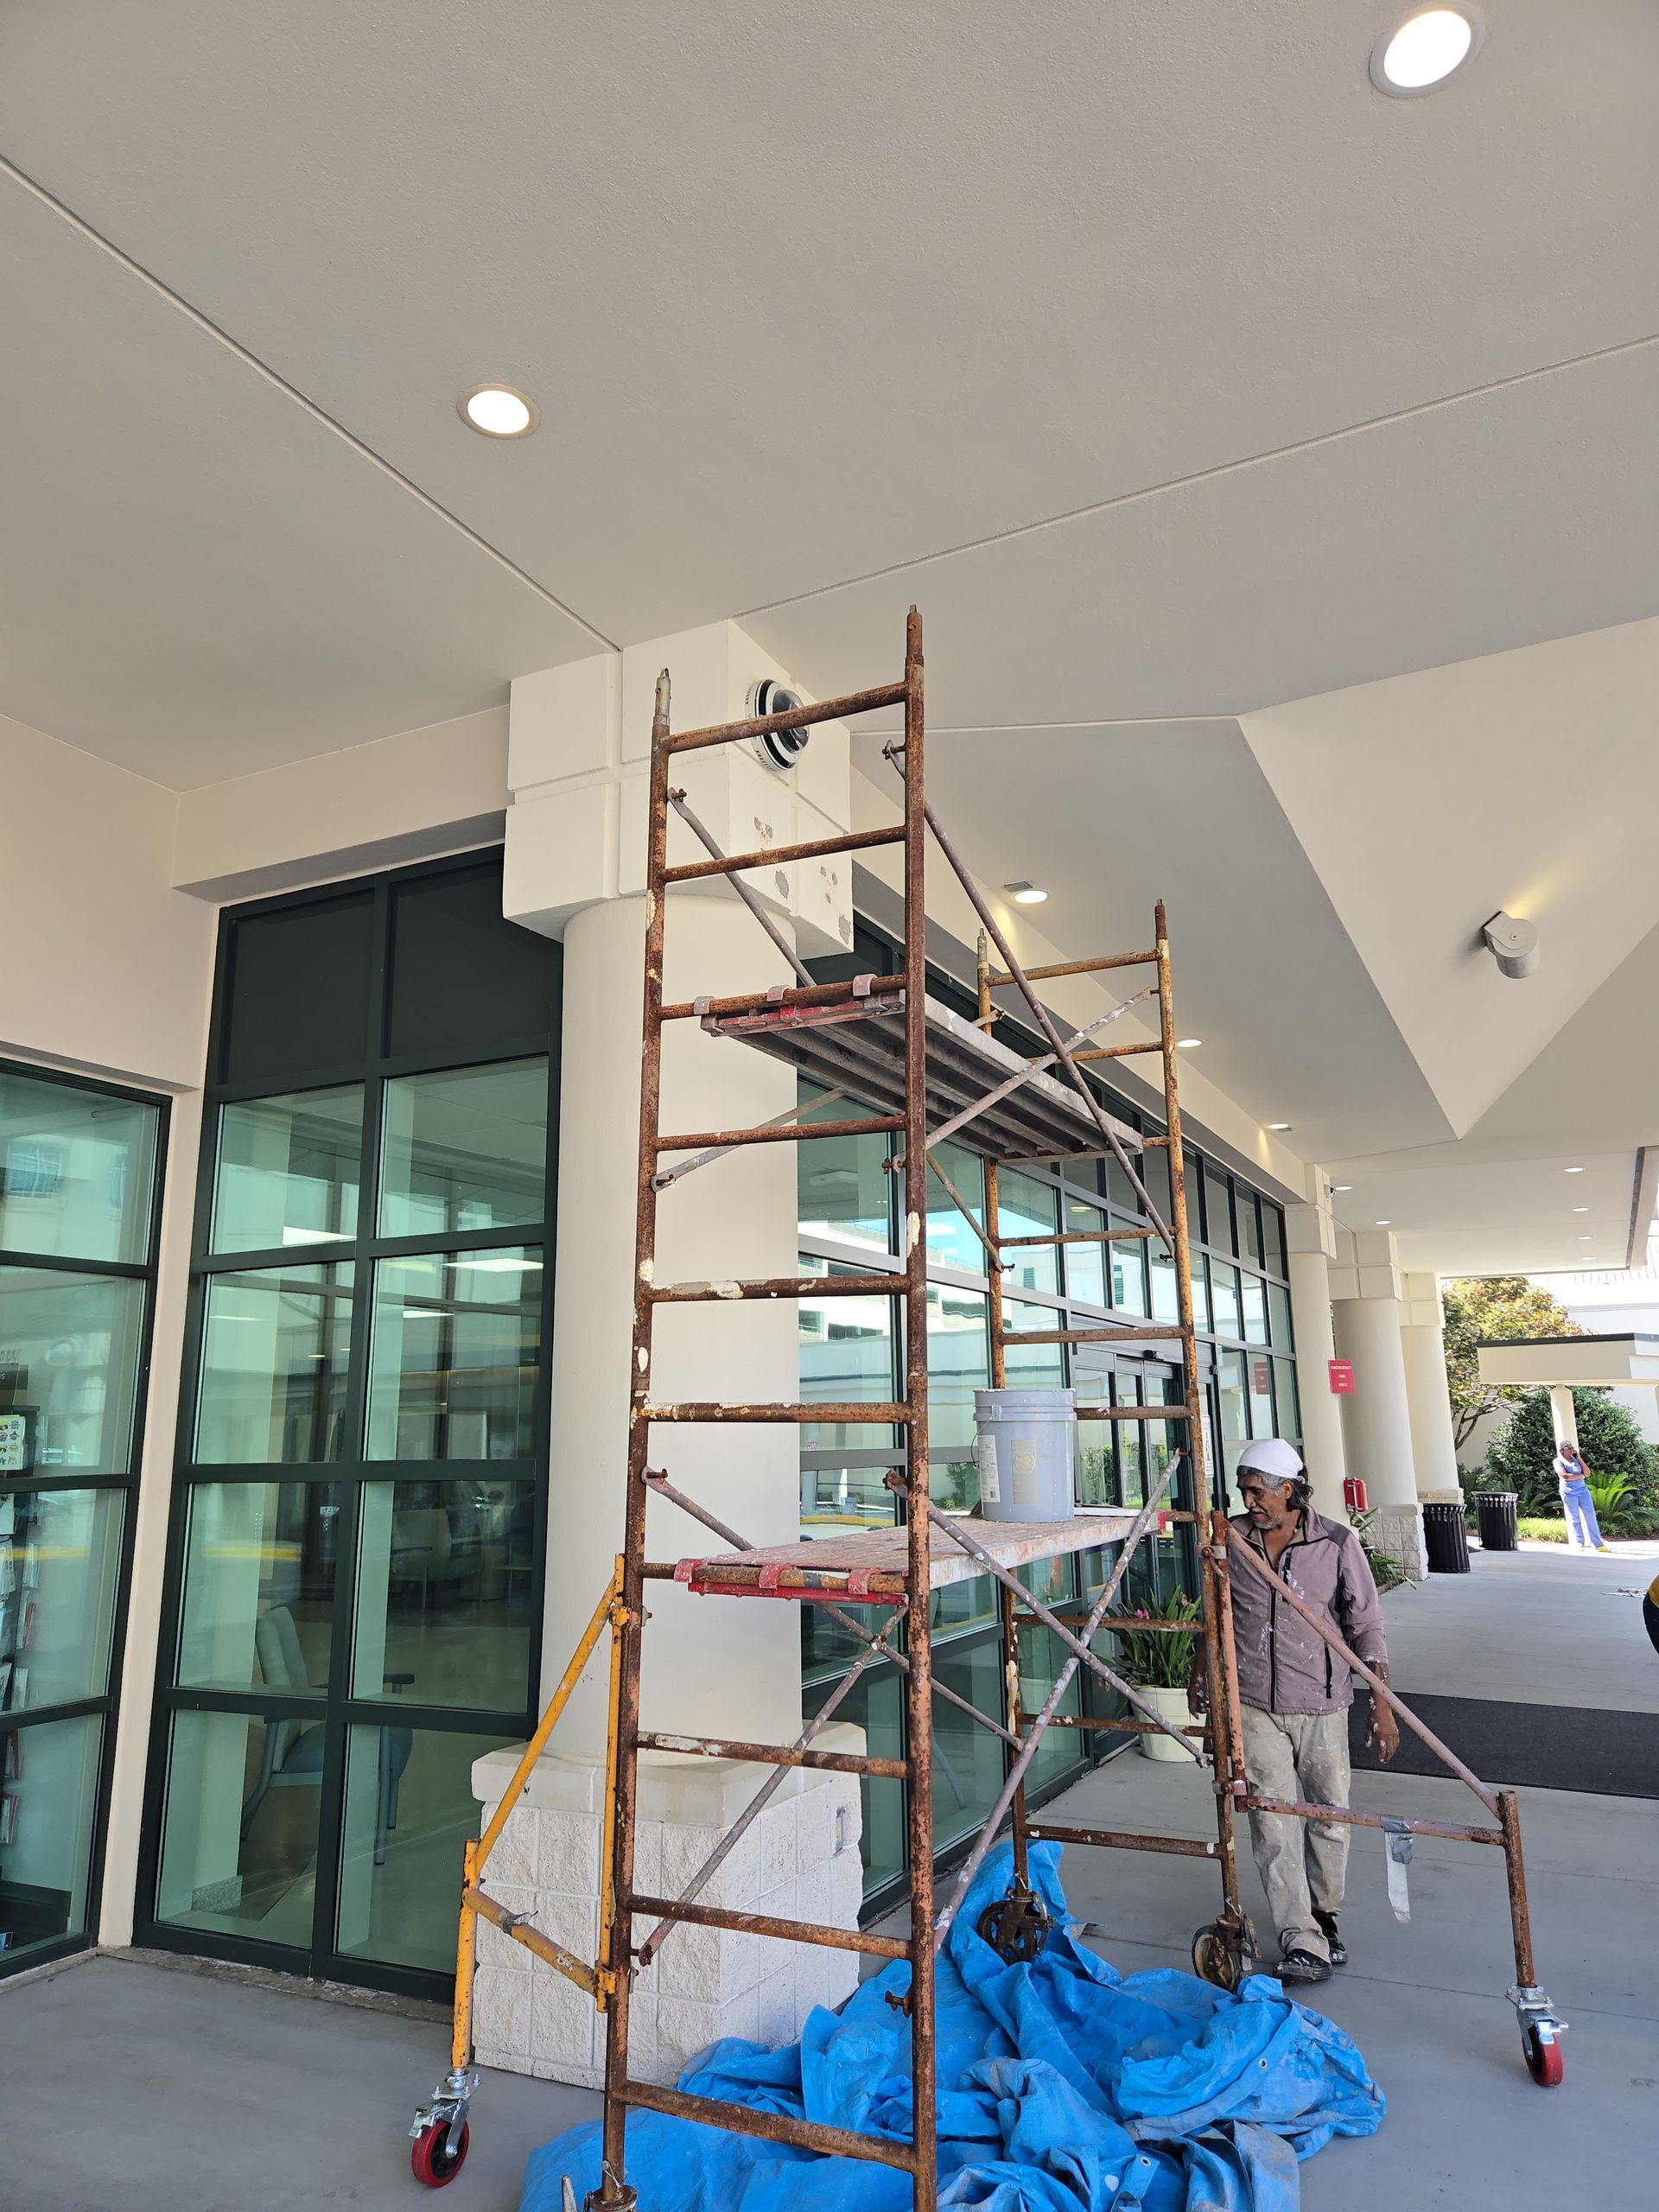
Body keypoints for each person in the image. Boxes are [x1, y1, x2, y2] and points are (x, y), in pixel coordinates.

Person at [1192, 1437, 1398, 1986]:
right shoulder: (1230, 1540)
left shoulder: (1335, 1542)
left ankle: (1325, 1918)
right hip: (1254, 1704)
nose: (1248, 1501)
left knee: (1329, 1814)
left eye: (1257, 1491)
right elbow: (1213, 1613)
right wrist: (1201, 1677)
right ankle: (1300, 1937)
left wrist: (1382, 1706)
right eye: (1243, 1491)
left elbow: (1366, 1626)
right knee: (1271, 1819)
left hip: (1322, 1703)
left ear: (1288, 1489)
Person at [1553, 1438, 1611, 1552]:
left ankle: (1598, 1544)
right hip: (1569, 1492)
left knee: (1591, 1516)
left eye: (1572, 1447)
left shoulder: (1576, 1459)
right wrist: (1581, 1476)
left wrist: (1579, 1458)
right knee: (1575, 1517)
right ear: (1562, 1450)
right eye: (1568, 1448)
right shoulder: (1558, 1461)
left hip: (1583, 1491)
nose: (1571, 1449)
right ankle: (1579, 1543)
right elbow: (1565, 1476)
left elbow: (1587, 1473)